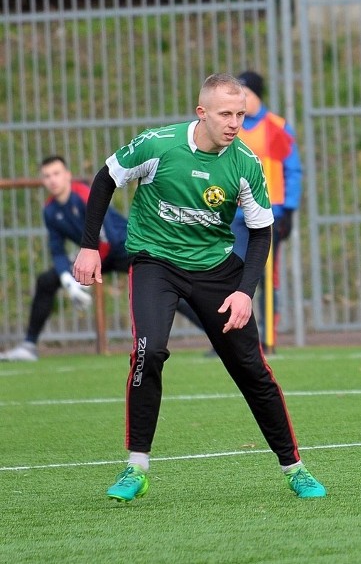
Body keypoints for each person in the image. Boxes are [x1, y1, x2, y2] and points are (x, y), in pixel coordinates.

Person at [72, 73, 326, 502]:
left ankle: (294, 468)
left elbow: (262, 233)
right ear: (201, 113)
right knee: (148, 351)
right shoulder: (158, 145)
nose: (234, 123)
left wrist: (245, 292)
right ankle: (136, 467)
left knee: (253, 371)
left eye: (241, 114)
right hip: (157, 263)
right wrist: (88, 247)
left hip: (216, 270)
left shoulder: (245, 163)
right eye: (225, 114)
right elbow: (105, 179)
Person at [0, 156, 204, 362]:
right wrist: (68, 281)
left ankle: (216, 337)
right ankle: (29, 346)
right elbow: (57, 249)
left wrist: (86, 273)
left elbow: (109, 240)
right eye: (47, 176)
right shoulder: (50, 210)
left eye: (56, 173)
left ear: (67, 175)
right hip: (94, 255)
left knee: (169, 290)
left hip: (125, 248)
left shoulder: (84, 195)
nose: (52, 180)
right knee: (46, 281)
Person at [231, 70, 303, 352]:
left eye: (245, 95)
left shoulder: (276, 127)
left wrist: (289, 210)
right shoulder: (231, 127)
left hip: (269, 212)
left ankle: (267, 338)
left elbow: (292, 170)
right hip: (235, 216)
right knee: (231, 274)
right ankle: (232, 339)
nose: (241, 101)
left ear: (257, 96)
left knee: (265, 275)